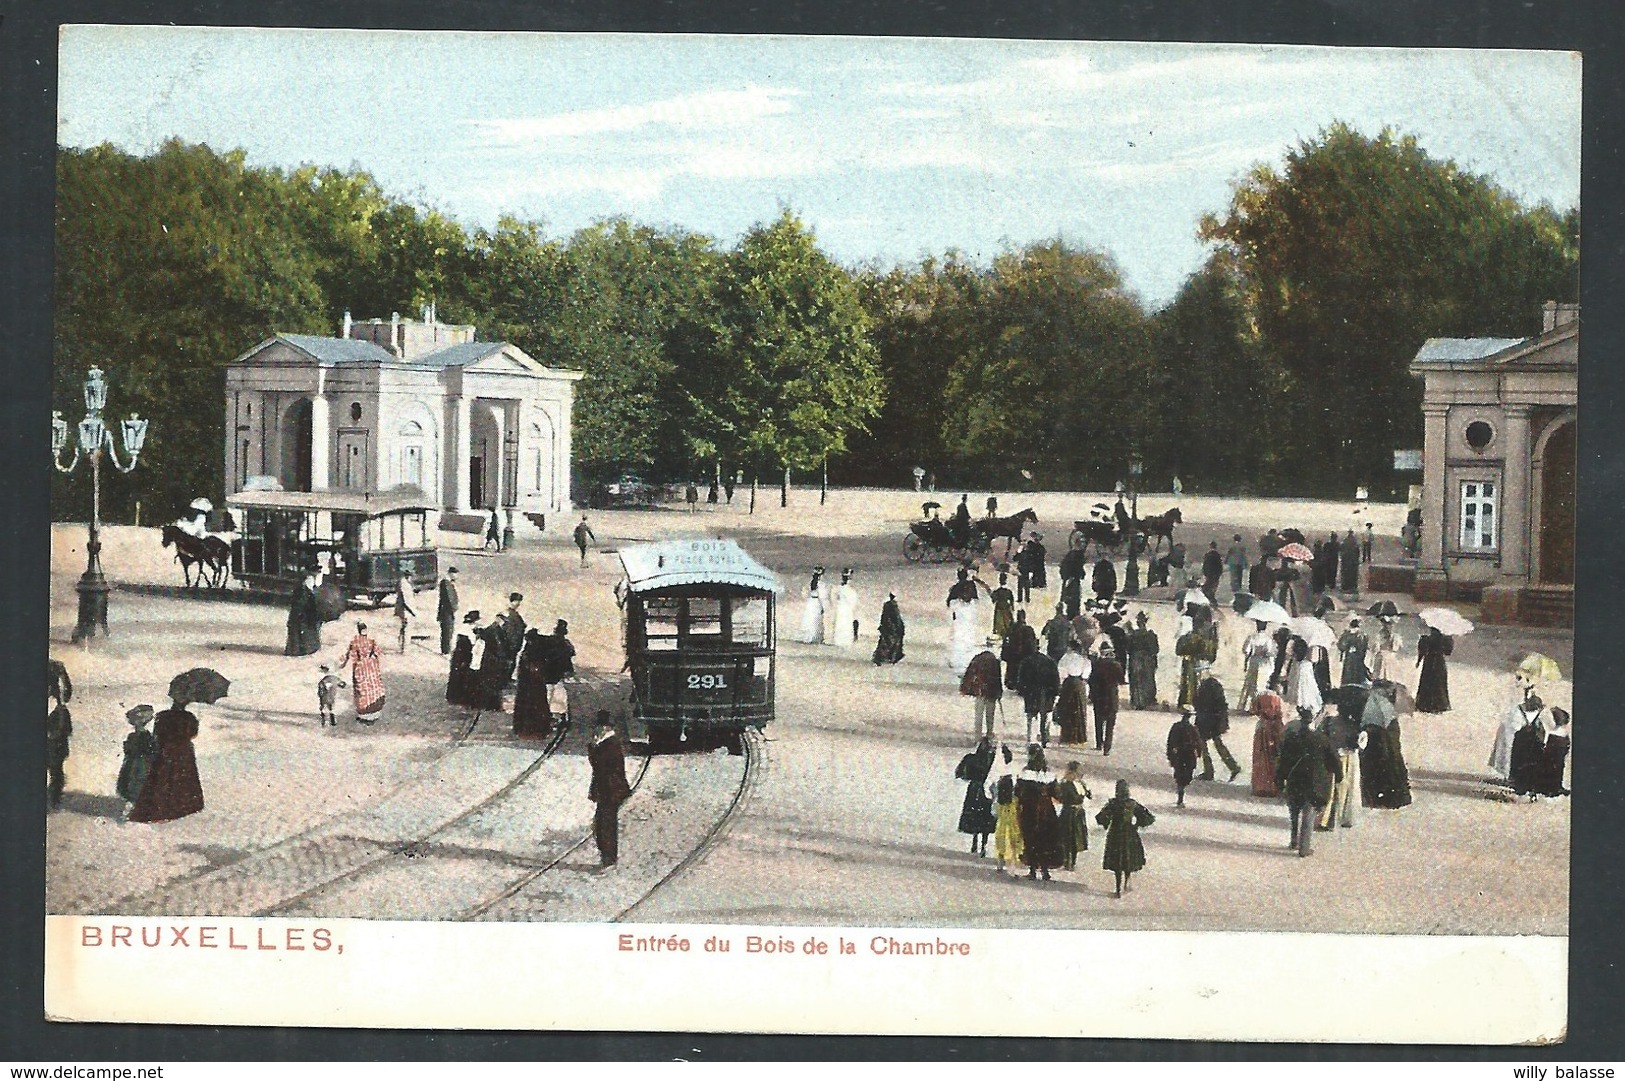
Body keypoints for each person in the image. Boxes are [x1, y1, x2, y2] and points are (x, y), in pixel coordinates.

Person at [128, 697, 205, 823]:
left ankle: (155, 809)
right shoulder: (188, 717)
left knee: (161, 780)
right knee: (183, 779)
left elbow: (156, 735)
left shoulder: (162, 716)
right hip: (183, 753)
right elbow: (193, 734)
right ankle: (180, 808)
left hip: (165, 753)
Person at [1276, 707, 1341, 857]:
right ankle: (1304, 847)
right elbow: (1334, 761)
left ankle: (1294, 841)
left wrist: (1280, 780)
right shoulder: (1322, 739)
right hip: (1315, 782)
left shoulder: (1291, 738)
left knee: (1294, 812)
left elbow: (1283, 762)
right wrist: (1338, 776)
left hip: (1295, 780)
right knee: (1309, 813)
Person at [587, 715, 632, 867]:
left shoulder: (610, 744)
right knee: (603, 823)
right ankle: (607, 856)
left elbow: (600, 766)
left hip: (610, 790)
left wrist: (593, 748)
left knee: (605, 824)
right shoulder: (607, 743)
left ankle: (609, 857)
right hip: (607, 789)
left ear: (606, 728)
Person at [1096, 780, 1154, 897]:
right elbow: (1148, 817)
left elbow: (1101, 817)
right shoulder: (1132, 804)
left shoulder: (1113, 803)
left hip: (1115, 833)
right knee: (1127, 858)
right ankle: (1126, 882)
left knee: (1117, 861)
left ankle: (1117, 888)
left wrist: (1106, 823)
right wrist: (1137, 825)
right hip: (1129, 832)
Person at [1319, 692, 1364, 831]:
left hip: (1331, 758)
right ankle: (1339, 819)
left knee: (1331, 789)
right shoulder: (1355, 726)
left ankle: (1327, 820)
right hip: (1349, 760)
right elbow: (1360, 745)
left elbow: (1321, 736)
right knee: (1345, 790)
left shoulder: (1329, 721)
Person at [1016, 744, 1061, 881]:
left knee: (1031, 839)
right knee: (1046, 839)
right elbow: (1057, 794)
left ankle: (1032, 869)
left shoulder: (1025, 774)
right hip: (1047, 811)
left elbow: (1018, 792)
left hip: (1030, 810)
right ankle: (1045, 870)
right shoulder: (1049, 774)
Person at [1192, 673, 1240, 782]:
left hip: (1206, 721)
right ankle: (1232, 766)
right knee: (1217, 745)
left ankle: (1209, 771)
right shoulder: (1212, 688)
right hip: (1212, 721)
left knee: (1204, 746)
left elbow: (1195, 702)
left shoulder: (1205, 688)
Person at [955, 738, 997, 857]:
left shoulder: (971, 758)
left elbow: (959, 773)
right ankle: (983, 845)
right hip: (987, 790)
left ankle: (975, 842)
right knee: (986, 817)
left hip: (974, 789)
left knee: (974, 816)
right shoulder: (991, 760)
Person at [339, 622, 387, 724]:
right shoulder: (371, 641)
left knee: (362, 689)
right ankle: (373, 714)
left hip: (360, 667)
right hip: (371, 666)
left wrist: (342, 664)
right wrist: (373, 659)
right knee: (373, 688)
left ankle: (364, 715)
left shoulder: (355, 642)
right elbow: (378, 652)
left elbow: (349, 655)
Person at [1175, 604, 1218, 710]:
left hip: (1194, 663)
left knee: (1190, 684)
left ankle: (1190, 702)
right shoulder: (1208, 637)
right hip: (1202, 664)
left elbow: (1179, 650)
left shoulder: (1192, 637)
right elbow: (1212, 655)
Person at [1016, 646, 1060, 747]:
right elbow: (1055, 679)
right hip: (1047, 693)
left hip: (1031, 692)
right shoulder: (1050, 661)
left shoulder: (1026, 662)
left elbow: (1021, 679)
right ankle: (1045, 737)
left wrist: (1022, 691)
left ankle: (1031, 739)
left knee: (1032, 716)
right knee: (1046, 716)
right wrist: (1056, 692)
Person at [117, 705, 158, 811]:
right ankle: (135, 802)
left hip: (141, 762)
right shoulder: (138, 736)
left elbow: (150, 750)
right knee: (133, 780)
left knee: (138, 780)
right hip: (135, 762)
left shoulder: (145, 736)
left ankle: (137, 802)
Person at [512, 627, 552, 738]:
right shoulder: (536, 649)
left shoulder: (531, 650)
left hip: (529, 684)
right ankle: (537, 729)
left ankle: (528, 730)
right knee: (537, 705)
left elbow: (531, 667)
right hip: (534, 684)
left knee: (529, 706)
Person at [1088, 640, 1126, 755]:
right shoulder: (1116, 665)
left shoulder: (1096, 665)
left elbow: (1091, 680)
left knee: (1098, 721)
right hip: (1111, 696)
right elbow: (1121, 680)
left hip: (1098, 696)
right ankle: (1107, 748)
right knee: (1110, 723)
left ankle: (1099, 743)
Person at [959, 643, 1002, 740]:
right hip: (991, 692)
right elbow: (998, 679)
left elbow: (969, 674)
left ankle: (977, 735)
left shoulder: (977, 660)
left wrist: (965, 688)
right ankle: (989, 734)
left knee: (979, 714)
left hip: (979, 691)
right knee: (990, 715)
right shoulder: (995, 662)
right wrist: (999, 693)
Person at [1054, 761, 1092, 871]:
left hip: (1076, 812)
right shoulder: (1066, 784)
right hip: (1069, 812)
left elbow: (1089, 795)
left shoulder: (1078, 784)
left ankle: (1072, 861)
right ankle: (1067, 860)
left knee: (1075, 837)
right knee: (1067, 837)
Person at [990, 745, 1022, 874]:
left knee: (1002, 839)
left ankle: (1000, 862)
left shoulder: (999, 773)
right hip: (1012, 813)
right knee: (1014, 839)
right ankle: (1012, 863)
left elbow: (993, 790)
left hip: (1003, 814)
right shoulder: (1014, 770)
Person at [946, 568, 983, 676]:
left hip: (960, 616)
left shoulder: (956, 587)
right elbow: (976, 599)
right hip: (969, 615)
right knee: (968, 636)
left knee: (958, 638)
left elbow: (949, 602)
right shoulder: (971, 585)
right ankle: (968, 659)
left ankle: (957, 661)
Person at [1250, 691, 1287, 798]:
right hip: (1274, 733)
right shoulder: (1278, 721)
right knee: (1273, 760)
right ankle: (1273, 786)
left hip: (1263, 734)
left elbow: (1254, 709)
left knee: (1261, 760)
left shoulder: (1261, 723)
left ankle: (1261, 786)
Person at [1054, 641, 1090, 745]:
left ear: (1070, 648)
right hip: (1079, 684)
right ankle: (1080, 736)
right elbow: (1086, 673)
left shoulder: (1065, 658)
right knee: (1080, 710)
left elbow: (1061, 672)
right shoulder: (1084, 659)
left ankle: (1067, 736)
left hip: (1068, 684)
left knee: (1067, 709)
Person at [1531, 707, 1572, 798]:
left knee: (1550, 767)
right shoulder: (1562, 733)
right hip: (1558, 746)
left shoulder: (1553, 732)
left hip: (1554, 745)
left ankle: (1549, 787)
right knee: (1557, 767)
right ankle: (1553, 787)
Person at [447, 611, 482, 708]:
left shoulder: (462, 629)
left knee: (456, 676)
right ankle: (460, 698)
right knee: (463, 677)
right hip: (464, 656)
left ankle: (453, 696)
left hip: (458, 655)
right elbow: (471, 645)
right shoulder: (469, 631)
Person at [1126, 611, 1160, 710]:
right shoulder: (1151, 635)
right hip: (1147, 660)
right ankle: (1147, 701)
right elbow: (1155, 649)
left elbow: (1128, 649)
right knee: (1147, 679)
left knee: (1136, 680)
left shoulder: (1132, 635)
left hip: (1135, 659)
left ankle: (1137, 702)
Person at [1166, 711, 1201, 807]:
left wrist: (1170, 755)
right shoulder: (1190, 728)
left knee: (1181, 776)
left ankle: (1180, 793)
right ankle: (1180, 796)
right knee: (1183, 775)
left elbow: (1170, 742)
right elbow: (1198, 742)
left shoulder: (1183, 727)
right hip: (1185, 755)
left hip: (1183, 755)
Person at [1415, 626, 1454, 713]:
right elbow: (1448, 652)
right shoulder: (1445, 639)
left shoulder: (1426, 639)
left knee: (1427, 682)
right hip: (1439, 663)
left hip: (1429, 662)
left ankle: (1425, 704)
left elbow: (1422, 651)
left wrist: (1418, 661)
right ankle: (1440, 704)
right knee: (1439, 684)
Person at [1238, 620, 1273, 712]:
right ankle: (1258, 707)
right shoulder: (1268, 639)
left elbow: (1246, 650)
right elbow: (1269, 652)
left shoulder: (1252, 637)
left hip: (1253, 661)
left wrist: (1252, 653)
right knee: (1261, 683)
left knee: (1251, 683)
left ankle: (1247, 706)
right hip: (1263, 663)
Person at [1000, 609, 1039, 692]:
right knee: (1022, 671)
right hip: (1023, 656)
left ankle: (1012, 683)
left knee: (1013, 670)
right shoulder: (1028, 630)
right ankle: (1020, 685)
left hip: (1013, 656)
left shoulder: (1011, 629)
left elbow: (1006, 642)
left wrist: (1005, 654)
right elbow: (1032, 644)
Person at [1284, 636, 1323, 716]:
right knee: (1307, 688)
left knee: (1297, 686)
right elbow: (1314, 660)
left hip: (1297, 668)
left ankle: (1299, 704)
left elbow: (1289, 655)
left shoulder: (1295, 658)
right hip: (1306, 669)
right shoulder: (1311, 651)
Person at [46, 691, 72, 811]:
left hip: (56, 747)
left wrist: (53, 734)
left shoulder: (61, 712)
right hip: (54, 747)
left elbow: (67, 730)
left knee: (56, 774)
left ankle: (54, 800)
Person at [285, 571, 319, 657]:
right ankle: (298, 650)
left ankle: (305, 649)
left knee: (305, 632)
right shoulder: (302, 591)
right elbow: (299, 603)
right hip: (300, 614)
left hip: (305, 615)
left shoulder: (308, 591)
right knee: (299, 632)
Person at [497, 593, 529, 681]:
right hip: (509, 643)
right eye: (517, 601)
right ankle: (504, 680)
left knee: (511, 662)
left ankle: (506, 679)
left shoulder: (515, 614)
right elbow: (505, 628)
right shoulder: (508, 613)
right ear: (512, 601)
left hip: (514, 644)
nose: (518, 603)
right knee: (508, 662)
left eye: (519, 601)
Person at [872, 592, 906, 665]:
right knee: (891, 643)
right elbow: (896, 618)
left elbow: (883, 617)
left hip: (886, 626)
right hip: (891, 627)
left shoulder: (887, 605)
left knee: (885, 642)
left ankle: (881, 657)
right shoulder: (894, 606)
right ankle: (888, 657)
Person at [831, 568, 861, 647]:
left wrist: (837, 605)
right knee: (846, 623)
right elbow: (853, 601)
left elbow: (834, 598)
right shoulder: (850, 591)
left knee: (840, 623)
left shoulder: (838, 588)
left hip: (840, 607)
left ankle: (839, 640)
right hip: (846, 608)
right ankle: (845, 640)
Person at [1338, 617, 1371, 688]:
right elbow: (1364, 647)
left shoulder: (1347, 634)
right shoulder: (1363, 634)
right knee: (1358, 671)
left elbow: (1341, 646)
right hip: (1359, 657)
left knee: (1348, 672)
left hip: (1349, 656)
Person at [1369, 614, 1402, 682]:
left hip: (1383, 655)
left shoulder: (1383, 634)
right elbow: (1395, 648)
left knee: (1382, 674)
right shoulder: (1390, 635)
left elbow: (1375, 647)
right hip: (1387, 656)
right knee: (1386, 675)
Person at [1058, 544, 1088, 619]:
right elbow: (1079, 569)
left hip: (1070, 580)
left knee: (1070, 599)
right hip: (1073, 581)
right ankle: (1074, 615)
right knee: (1074, 600)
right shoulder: (1078, 556)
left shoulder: (1070, 556)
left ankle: (1072, 615)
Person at [799, 568, 827, 645]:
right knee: (817, 619)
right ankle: (816, 638)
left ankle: (809, 637)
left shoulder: (810, 583)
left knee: (810, 619)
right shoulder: (821, 584)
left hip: (810, 601)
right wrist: (823, 606)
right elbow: (822, 596)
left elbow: (804, 593)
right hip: (817, 602)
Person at [436, 567, 460, 655]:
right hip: (447, 611)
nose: (457, 577)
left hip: (446, 611)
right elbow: (449, 599)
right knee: (447, 630)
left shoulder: (447, 583)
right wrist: (454, 609)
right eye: (456, 574)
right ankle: (446, 650)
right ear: (451, 573)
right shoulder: (446, 583)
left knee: (448, 630)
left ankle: (446, 649)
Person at [1018, 533, 1047, 602]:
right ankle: (1037, 584)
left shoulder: (1032, 546)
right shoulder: (1038, 547)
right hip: (1036, 563)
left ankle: (1036, 583)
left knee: (1024, 582)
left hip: (1033, 563)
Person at [393, 571, 417, 654]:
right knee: (407, 628)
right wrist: (413, 612)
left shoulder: (402, 583)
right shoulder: (405, 585)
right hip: (405, 610)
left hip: (403, 609)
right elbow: (407, 600)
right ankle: (405, 648)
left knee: (404, 628)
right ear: (408, 577)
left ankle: (402, 646)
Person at [989, 571, 1016, 640]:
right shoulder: (1008, 591)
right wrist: (1012, 607)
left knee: (999, 624)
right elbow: (1012, 600)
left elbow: (994, 600)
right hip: (1006, 608)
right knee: (1007, 623)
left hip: (999, 608)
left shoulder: (997, 591)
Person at [1340, 529, 1361, 595]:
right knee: (1353, 575)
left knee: (1345, 574)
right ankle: (1352, 587)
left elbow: (1341, 550)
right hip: (1353, 561)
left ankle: (1345, 587)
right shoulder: (1355, 541)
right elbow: (1357, 552)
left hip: (1346, 560)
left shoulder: (1345, 540)